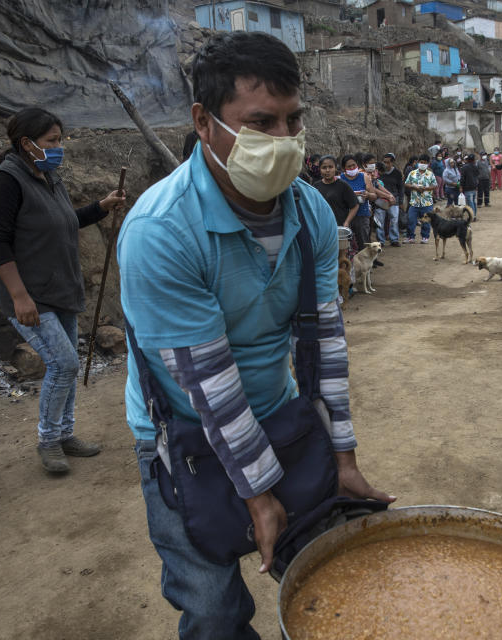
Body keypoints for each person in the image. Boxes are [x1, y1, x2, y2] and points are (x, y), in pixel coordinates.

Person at [116, 31, 393, 639]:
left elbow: (322, 342)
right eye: (260, 122)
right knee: (214, 608)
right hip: (183, 431)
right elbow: (204, 383)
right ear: (204, 121)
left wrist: (342, 455)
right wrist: (260, 491)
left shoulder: (310, 212)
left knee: (329, 577)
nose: (283, 141)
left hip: (277, 412)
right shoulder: (161, 231)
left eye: (293, 121)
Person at [0, 108, 123, 473]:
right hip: (30, 295)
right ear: (27, 144)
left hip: (60, 289)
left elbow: (64, 221)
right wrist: (19, 296)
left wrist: (101, 208)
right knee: (64, 364)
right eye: (52, 141)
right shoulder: (6, 181)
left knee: (66, 367)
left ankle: (64, 434)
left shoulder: (47, 175)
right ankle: (48, 441)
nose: (59, 147)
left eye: (59, 140)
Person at [313, 155, 358, 228]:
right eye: (324, 168)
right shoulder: (316, 186)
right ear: (320, 169)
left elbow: (355, 205)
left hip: (339, 227)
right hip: (322, 227)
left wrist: (347, 222)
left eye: (330, 167)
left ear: (335, 168)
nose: (327, 170)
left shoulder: (343, 185)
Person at [340, 154, 375, 246]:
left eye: (354, 165)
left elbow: (374, 196)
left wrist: (367, 194)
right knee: (346, 244)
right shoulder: (340, 179)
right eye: (349, 166)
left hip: (362, 215)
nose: (352, 168)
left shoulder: (364, 177)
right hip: (345, 216)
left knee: (363, 242)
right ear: (344, 168)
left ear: (357, 165)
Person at [404, 153, 436, 244]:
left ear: (428, 163)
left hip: (426, 202)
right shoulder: (412, 173)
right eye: (421, 162)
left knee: (426, 220)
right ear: (418, 162)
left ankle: (425, 237)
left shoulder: (430, 174)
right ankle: (410, 236)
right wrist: (415, 187)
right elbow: (406, 183)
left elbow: (435, 185)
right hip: (414, 202)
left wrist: (425, 188)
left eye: (425, 162)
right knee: (411, 219)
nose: (422, 164)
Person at [380, 153, 405, 246]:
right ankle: (380, 241)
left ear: (392, 163)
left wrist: (401, 201)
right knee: (380, 221)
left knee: (394, 220)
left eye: (388, 162)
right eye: (384, 162)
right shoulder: (379, 172)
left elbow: (401, 188)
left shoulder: (397, 173)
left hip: (394, 200)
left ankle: (394, 239)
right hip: (381, 200)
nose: (386, 164)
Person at [460, 153, 480, 219]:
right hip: (474, 187)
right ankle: (474, 215)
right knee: (474, 202)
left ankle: (472, 216)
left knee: (470, 203)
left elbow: (462, 178)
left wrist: (461, 186)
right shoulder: (475, 166)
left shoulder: (464, 167)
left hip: (467, 188)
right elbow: (477, 176)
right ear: (474, 160)